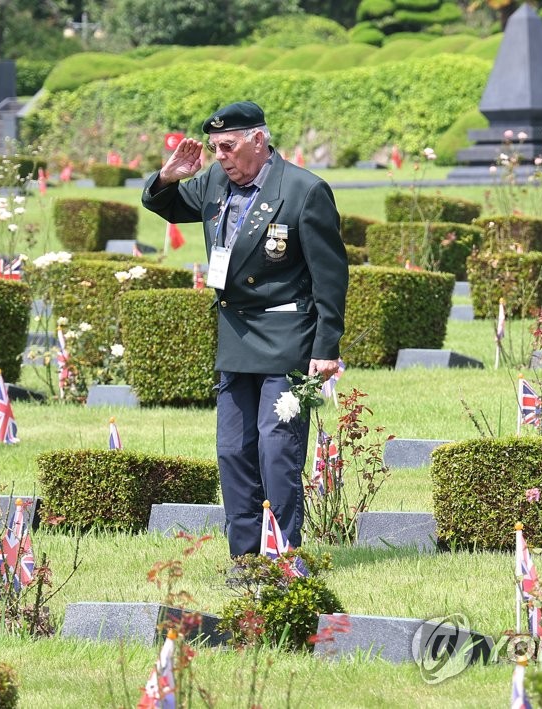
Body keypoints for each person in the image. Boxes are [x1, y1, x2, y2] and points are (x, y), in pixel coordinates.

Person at [141, 101, 348, 559]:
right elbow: (170, 207)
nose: (221, 156)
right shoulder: (216, 181)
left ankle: (282, 553)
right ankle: (244, 557)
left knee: (277, 449)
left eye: (228, 146)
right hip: (235, 336)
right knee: (233, 450)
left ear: (259, 140)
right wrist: (168, 177)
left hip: (286, 336)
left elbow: (330, 277)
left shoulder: (302, 191)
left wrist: (326, 346)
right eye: (215, 147)